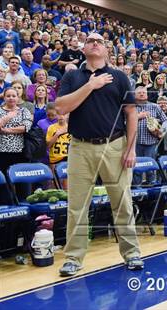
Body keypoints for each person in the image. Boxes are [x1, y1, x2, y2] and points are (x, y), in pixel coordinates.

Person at [55, 33, 143, 277]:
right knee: (77, 207)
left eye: (100, 41)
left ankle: (132, 252)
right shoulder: (72, 76)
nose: (95, 42)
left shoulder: (120, 77)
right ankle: (73, 258)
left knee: (122, 203)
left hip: (115, 146)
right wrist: (91, 85)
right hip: (80, 148)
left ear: (106, 50)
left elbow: (132, 114)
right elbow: (61, 107)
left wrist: (131, 148)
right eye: (90, 40)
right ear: (83, 48)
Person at [0, 87, 32, 200]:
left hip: (20, 153)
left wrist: (5, 130)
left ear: (18, 98)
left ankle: (25, 210)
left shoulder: (24, 111)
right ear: (4, 97)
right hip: (2, 153)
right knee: (3, 185)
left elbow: (25, 127)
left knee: (23, 185)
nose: (11, 98)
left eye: (14, 96)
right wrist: (7, 118)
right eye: (8, 96)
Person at [133, 86, 167, 185]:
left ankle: (152, 189)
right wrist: (139, 116)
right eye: (139, 92)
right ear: (134, 95)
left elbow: (166, 121)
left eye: (144, 92)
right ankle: (137, 190)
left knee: (151, 168)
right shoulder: (131, 107)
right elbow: (125, 122)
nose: (142, 94)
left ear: (147, 95)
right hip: (135, 144)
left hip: (151, 143)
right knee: (136, 169)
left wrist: (162, 133)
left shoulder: (155, 106)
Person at [46, 112, 70, 189]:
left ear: (68, 115)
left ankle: (67, 200)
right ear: (56, 115)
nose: (61, 116)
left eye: (64, 114)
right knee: (55, 183)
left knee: (67, 184)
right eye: (59, 114)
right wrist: (57, 134)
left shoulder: (71, 127)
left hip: (68, 158)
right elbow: (48, 145)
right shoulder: (51, 128)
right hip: (55, 158)